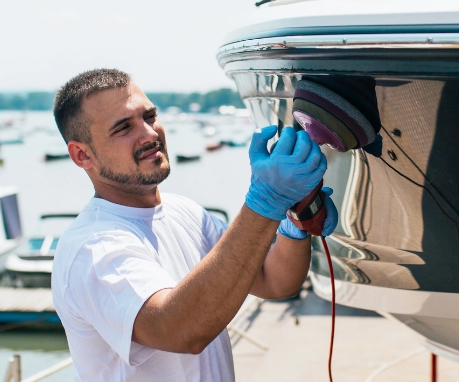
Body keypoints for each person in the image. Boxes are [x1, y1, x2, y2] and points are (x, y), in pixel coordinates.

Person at [50, 68, 338, 382]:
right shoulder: (94, 247)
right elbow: (180, 331)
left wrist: (294, 219)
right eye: (123, 128)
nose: (149, 134)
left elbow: (275, 282)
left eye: (149, 116)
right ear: (82, 155)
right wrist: (265, 202)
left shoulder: (182, 211)